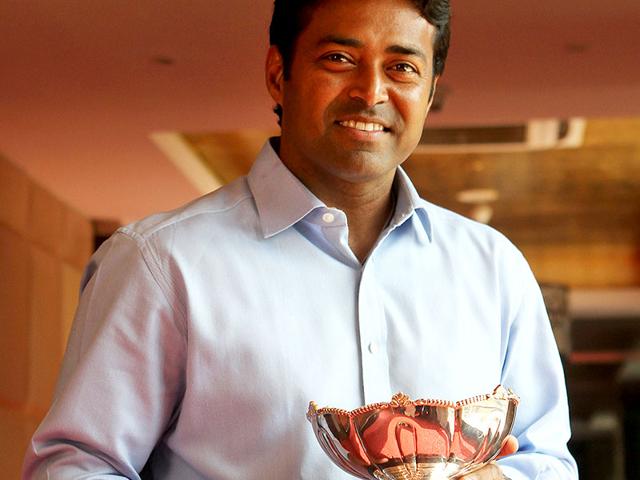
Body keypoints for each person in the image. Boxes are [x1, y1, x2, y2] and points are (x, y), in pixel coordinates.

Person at [23, 0, 578, 479]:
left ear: (430, 94)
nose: (371, 92)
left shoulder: (493, 268)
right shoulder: (161, 264)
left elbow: (547, 457)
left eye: (403, 67)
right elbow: (78, 466)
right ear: (276, 73)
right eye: (339, 59)